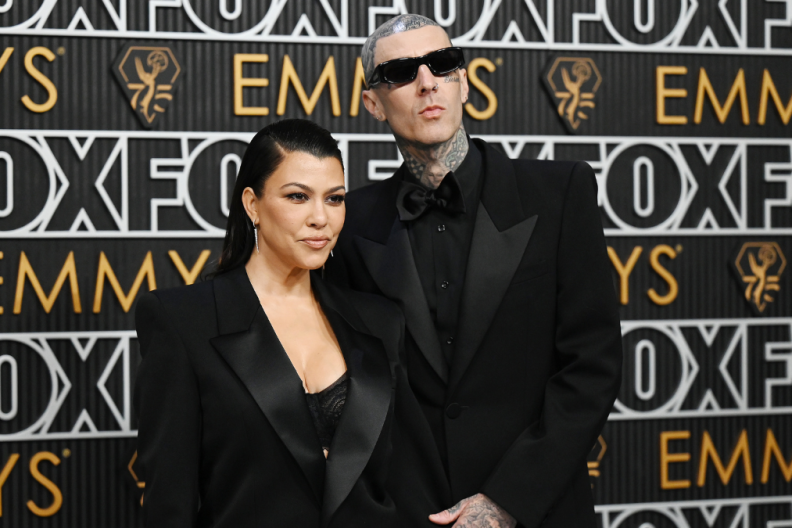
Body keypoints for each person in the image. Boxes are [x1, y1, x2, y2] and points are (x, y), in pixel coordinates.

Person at [325, 15, 623, 528]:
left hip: (540, 511)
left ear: (462, 80)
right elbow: (354, 389)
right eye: (400, 72)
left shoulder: (558, 194)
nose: (426, 82)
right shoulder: (352, 225)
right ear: (373, 102)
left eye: (441, 64)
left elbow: (591, 367)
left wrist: (506, 501)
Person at [134, 119, 410, 527]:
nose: (321, 218)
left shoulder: (379, 321)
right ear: (252, 204)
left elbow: (398, 476)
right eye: (298, 197)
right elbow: (168, 502)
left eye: (334, 199)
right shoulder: (183, 321)